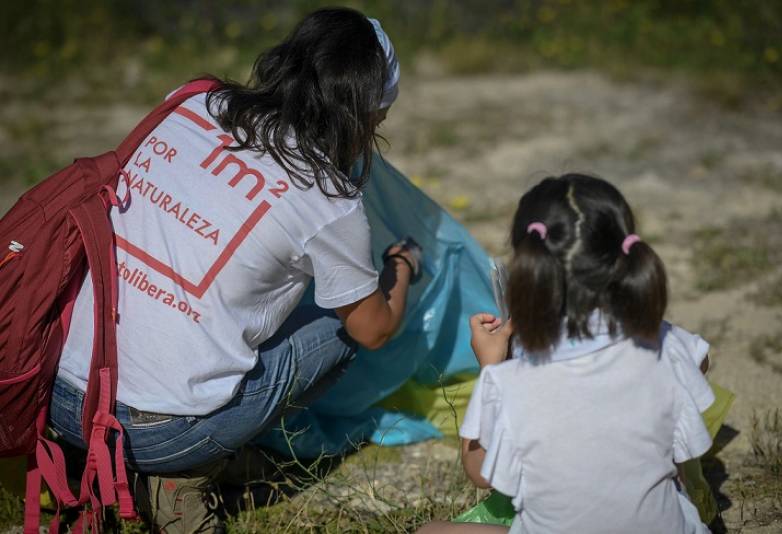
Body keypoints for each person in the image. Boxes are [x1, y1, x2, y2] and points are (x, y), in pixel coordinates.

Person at [47, 7, 415, 532]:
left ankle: (102, 462)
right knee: (342, 327)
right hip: (162, 431)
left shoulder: (192, 100)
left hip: (61, 396)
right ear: (361, 114)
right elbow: (374, 328)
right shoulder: (329, 198)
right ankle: (185, 473)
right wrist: (399, 268)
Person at [418, 173, 712, 533]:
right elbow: (702, 361)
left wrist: (491, 367)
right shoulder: (663, 343)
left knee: (431, 531)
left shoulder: (510, 381)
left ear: (529, 268)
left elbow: (480, 471)